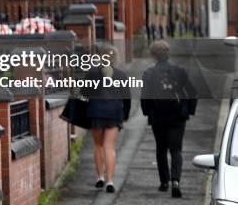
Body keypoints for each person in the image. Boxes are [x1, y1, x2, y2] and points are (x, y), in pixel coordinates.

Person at [141, 40, 197, 199]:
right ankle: (176, 181)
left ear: (153, 55)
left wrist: (148, 114)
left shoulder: (148, 73)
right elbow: (192, 92)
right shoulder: (180, 71)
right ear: (168, 53)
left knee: (161, 148)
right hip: (178, 116)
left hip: (158, 117)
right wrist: (189, 111)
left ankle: (164, 182)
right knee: (176, 149)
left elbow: (145, 97)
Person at [84, 44, 131, 194]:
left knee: (98, 146)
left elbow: (84, 93)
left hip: (96, 112)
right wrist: (126, 115)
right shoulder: (121, 75)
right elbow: (127, 98)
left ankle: (100, 177)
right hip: (114, 113)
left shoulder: (92, 73)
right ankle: (110, 181)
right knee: (109, 147)